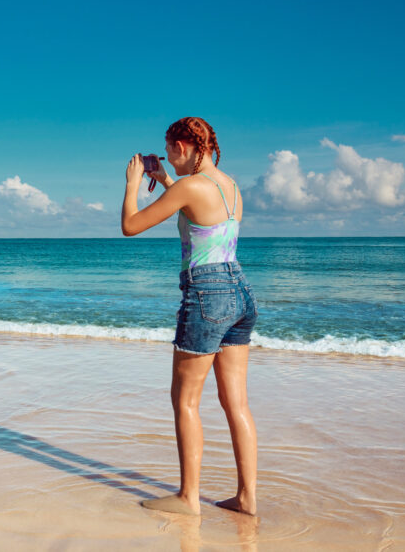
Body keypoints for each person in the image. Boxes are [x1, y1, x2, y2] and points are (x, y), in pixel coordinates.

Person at [120, 116, 258, 517]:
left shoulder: (189, 186)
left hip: (207, 294)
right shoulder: (230, 186)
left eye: (169, 151)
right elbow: (198, 211)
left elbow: (130, 226)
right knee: (237, 403)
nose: (168, 158)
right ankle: (247, 497)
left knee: (185, 401)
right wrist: (165, 180)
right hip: (240, 291)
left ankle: (188, 497)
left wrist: (132, 183)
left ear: (183, 147)